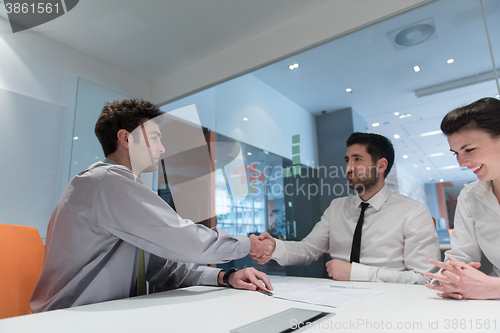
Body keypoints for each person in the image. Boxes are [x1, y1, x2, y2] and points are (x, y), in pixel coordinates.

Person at [30, 99, 273, 313]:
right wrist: (247, 244)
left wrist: (225, 276)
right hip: (66, 320)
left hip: (102, 316)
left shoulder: (114, 186)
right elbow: (182, 238)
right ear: (126, 138)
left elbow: (162, 268)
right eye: (155, 138)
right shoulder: (107, 182)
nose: (162, 147)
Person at [252, 132, 440, 284]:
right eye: (347, 160)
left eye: (357, 159)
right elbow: (308, 249)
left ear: (381, 165)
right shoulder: (337, 207)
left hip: (391, 304)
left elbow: (425, 278)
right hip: (339, 297)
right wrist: (273, 247)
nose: (349, 167)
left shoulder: (413, 212)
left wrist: (357, 273)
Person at [424, 97, 500, 300]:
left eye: (469, 149)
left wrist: (493, 287)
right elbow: (461, 256)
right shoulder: (469, 196)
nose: (461, 162)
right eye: (456, 153)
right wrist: (447, 276)